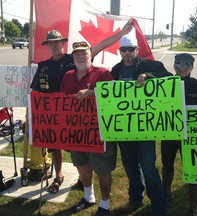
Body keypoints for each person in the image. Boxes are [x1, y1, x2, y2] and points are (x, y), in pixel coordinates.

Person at [30, 20, 133, 194]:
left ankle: (86, 183)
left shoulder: (76, 57)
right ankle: (60, 177)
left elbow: (101, 45)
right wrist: (33, 113)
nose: (54, 46)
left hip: (88, 117)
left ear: (63, 43)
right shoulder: (43, 66)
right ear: (47, 45)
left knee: (87, 152)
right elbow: (35, 92)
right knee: (58, 148)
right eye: (50, 43)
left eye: (57, 42)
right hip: (59, 114)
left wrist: (122, 33)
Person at [111, 34, 173, 216]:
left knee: (148, 167)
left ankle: (159, 206)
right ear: (120, 51)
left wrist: (148, 76)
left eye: (131, 49)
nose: (128, 53)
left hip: (146, 128)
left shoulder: (151, 65)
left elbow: (168, 77)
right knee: (130, 166)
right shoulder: (116, 70)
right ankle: (135, 199)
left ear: (137, 50)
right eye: (124, 50)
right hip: (124, 129)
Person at [60, 41, 116, 216]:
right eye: (77, 54)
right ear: (73, 57)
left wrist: (93, 93)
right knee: (82, 165)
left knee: (102, 168)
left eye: (84, 53)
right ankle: (88, 196)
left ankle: (105, 204)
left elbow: (114, 97)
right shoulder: (68, 75)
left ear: (90, 55)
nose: (81, 57)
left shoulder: (103, 73)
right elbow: (61, 101)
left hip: (98, 132)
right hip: (76, 132)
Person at [161, 53, 197, 216]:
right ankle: (166, 193)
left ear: (192, 67)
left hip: (194, 136)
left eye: (186, 65)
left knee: (195, 168)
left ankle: (193, 207)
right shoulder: (165, 84)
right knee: (167, 164)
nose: (182, 68)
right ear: (174, 66)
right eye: (178, 64)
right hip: (170, 133)